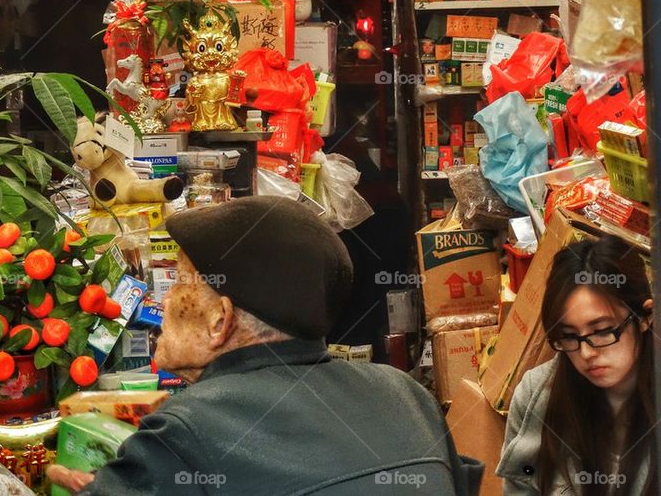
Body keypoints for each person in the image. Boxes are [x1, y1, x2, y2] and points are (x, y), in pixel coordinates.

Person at [49, 196, 482, 494]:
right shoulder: (406, 395)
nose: (161, 299)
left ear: (221, 320)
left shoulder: (184, 431)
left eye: (179, 282)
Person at [497, 236, 656, 495]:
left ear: (645, 316)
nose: (586, 352)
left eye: (603, 331)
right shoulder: (537, 397)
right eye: (569, 336)